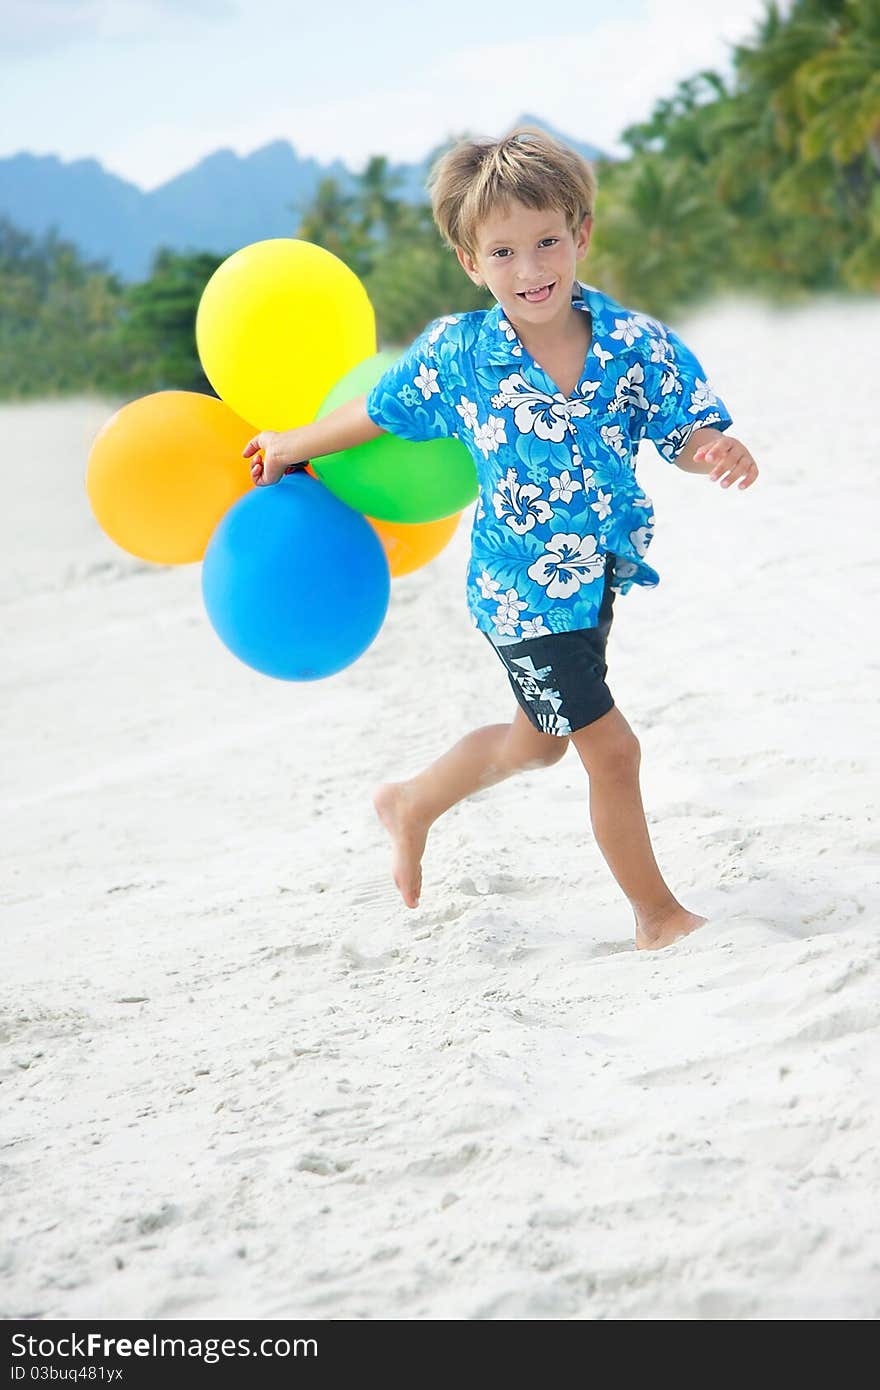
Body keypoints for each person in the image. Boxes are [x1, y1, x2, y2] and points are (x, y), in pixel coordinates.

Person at [243, 125, 759, 950]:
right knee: (612, 751)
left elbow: (684, 431)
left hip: (593, 583)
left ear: (580, 234)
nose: (532, 269)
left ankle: (410, 802)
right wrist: (289, 444)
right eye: (505, 252)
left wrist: (715, 452)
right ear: (470, 261)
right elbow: (375, 413)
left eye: (548, 241)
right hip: (518, 593)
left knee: (539, 743)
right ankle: (657, 917)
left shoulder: (635, 346)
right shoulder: (458, 354)